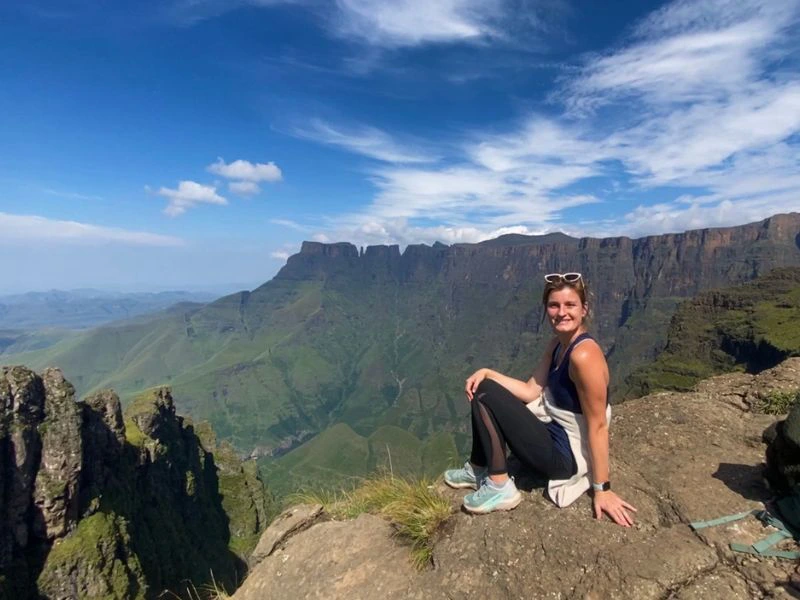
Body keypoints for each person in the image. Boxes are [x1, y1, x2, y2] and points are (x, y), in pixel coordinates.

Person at [443, 272, 637, 527]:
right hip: (555, 433)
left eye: (570, 305)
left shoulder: (584, 356)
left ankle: (500, 486)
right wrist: (487, 372)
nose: (562, 312)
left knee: (486, 393)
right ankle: (478, 468)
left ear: (584, 309)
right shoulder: (557, 345)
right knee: (486, 387)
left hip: (566, 458)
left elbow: (598, 425)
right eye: (554, 305)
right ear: (546, 309)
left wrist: (602, 488)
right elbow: (530, 390)